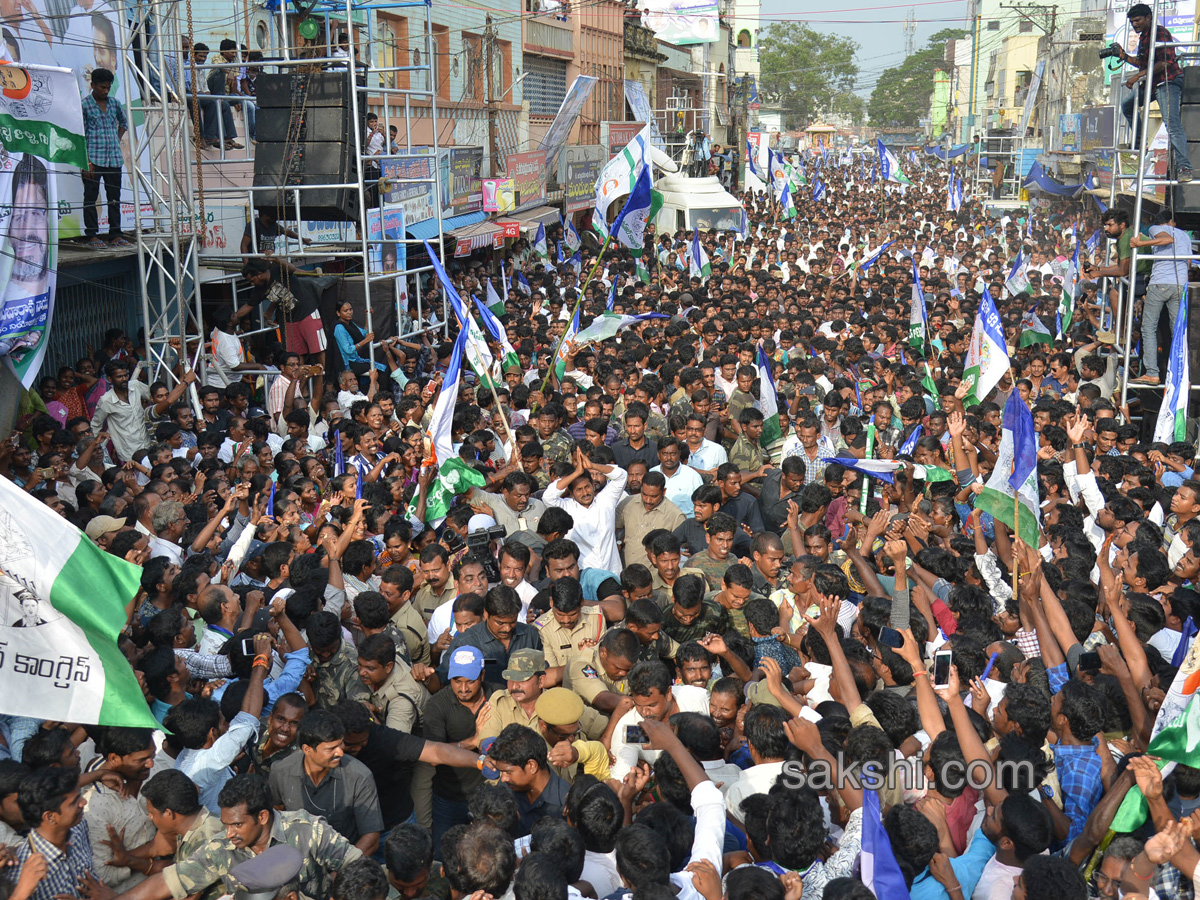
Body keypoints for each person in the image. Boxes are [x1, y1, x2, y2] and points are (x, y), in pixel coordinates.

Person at [1116, 3, 1192, 182]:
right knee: (1127, 105)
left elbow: (1164, 63)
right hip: (1152, 84)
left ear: (1148, 18)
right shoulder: (1144, 38)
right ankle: (1140, 143)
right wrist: (1124, 56)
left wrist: (1137, 77)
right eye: (1133, 22)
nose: (1135, 24)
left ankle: (1184, 167)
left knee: (1171, 124)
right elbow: (1144, 64)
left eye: (1138, 20)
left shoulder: (1160, 33)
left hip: (1167, 81)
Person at [1129, 208, 1188, 385]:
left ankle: (1152, 372)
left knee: (1148, 328)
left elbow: (1166, 239)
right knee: (1176, 330)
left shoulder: (1157, 228)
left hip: (1160, 283)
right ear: (1173, 222)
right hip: (1180, 284)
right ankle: (1181, 371)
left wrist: (1139, 244)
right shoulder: (1185, 235)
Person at [81, 68, 131, 249]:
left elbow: (124, 123)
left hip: (114, 159)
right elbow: (80, 135)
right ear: (92, 85)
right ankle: (92, 235)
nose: (105, 90)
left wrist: (116, 139)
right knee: (91, 198)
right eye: (102, 87)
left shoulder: (115, 104)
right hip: (93, 159)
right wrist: (85, 162)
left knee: (114, 198)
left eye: (108, 88)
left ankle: (116, 235)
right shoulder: (84, 105)